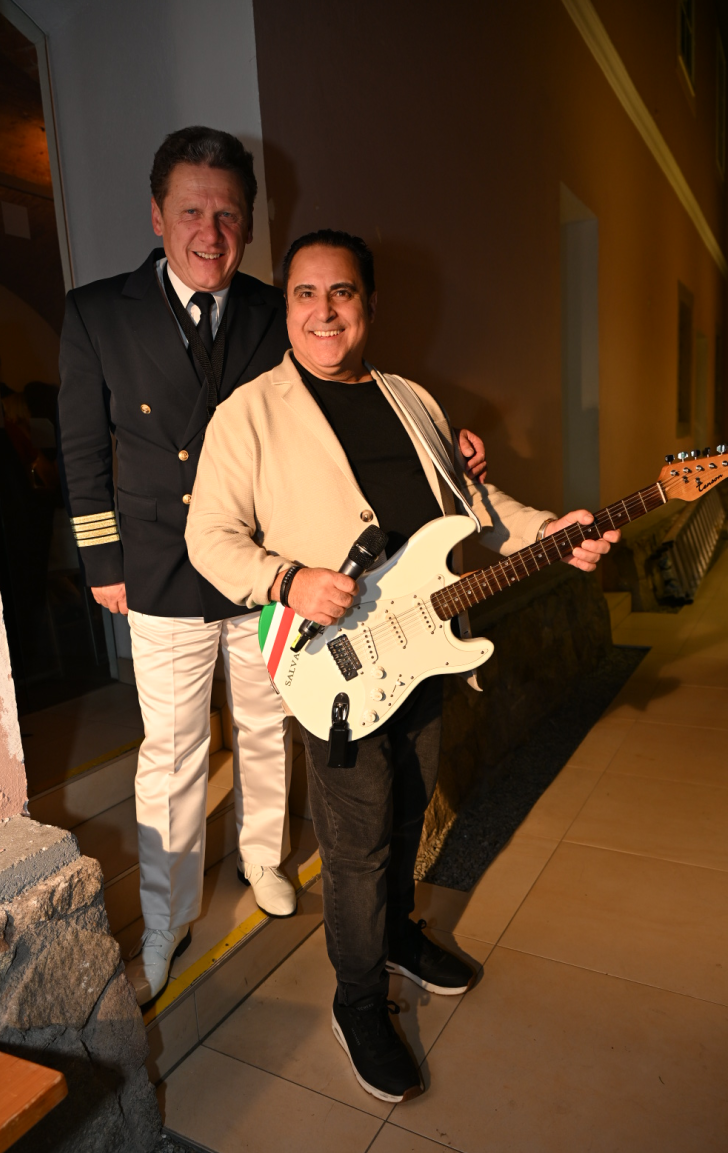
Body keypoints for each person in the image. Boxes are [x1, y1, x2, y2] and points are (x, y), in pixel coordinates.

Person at [185, 229, 620, 1102]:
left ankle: (395, 936)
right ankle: (357, 1002)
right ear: (285, 307)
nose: (324, 311)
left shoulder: (411, 398)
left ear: (369, 305)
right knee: (354, 845)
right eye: (305, 293)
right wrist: (289, 579)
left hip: (423, 649)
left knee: (411, 809)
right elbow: (209, 537)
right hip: (332, 667)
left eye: (342, 292)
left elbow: (471, 506)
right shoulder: (249, 413)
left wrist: (546, 531)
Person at [57, 127, 297, 1005]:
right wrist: (102, 560)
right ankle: (165, 919)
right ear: (157, 217)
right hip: (158, 564)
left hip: (262, 562)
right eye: (191, 211)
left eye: (227, 214)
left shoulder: (276, 310)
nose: (210, 232)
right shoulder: (98, 311)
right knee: (173, 752)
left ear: (249, 223)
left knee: (267, 726)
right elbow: (83, 450)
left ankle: (264, 858)